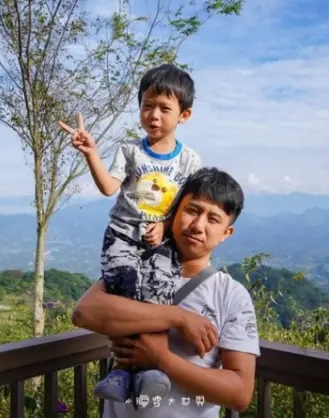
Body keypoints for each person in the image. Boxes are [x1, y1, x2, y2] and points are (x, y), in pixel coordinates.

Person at [58, 63, 203, 403]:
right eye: (147, 105)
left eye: (164, 108)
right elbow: (109, 187)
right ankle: (122, 369)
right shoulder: (130, 151)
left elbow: (187, 207)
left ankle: (151, 368)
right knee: (124, 298)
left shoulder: (189, 161)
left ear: (184, 115)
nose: (154, 115)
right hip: (122, 236)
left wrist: (165, 226)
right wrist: (91, 153)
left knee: (157, 297)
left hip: (162, 245)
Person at [72, 167, 259, 417]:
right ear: (174, 211)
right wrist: (178, 317)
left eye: (213, 219)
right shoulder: (136, 265)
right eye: (192, 210)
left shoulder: (231, 295)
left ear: (227, 233)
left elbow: (240, 394)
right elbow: (85, 313)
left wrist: (161, 359)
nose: (198, 225)